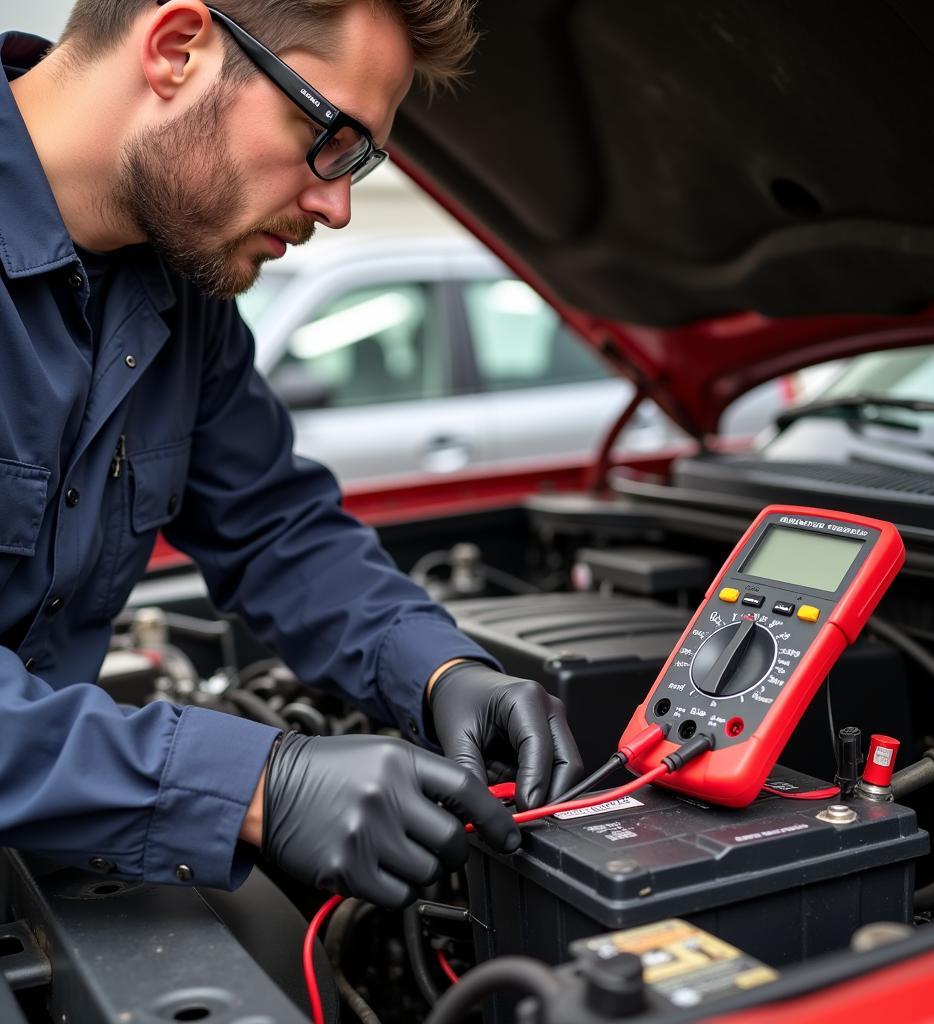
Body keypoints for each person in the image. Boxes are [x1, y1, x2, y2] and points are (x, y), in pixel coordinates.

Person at [0, 0, 583, 911]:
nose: (338, 205)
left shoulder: (176, 288)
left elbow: (272, 522)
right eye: (331, 137)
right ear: (177, 49)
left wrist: (438, 670)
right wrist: (257, 784)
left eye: (363, 162)